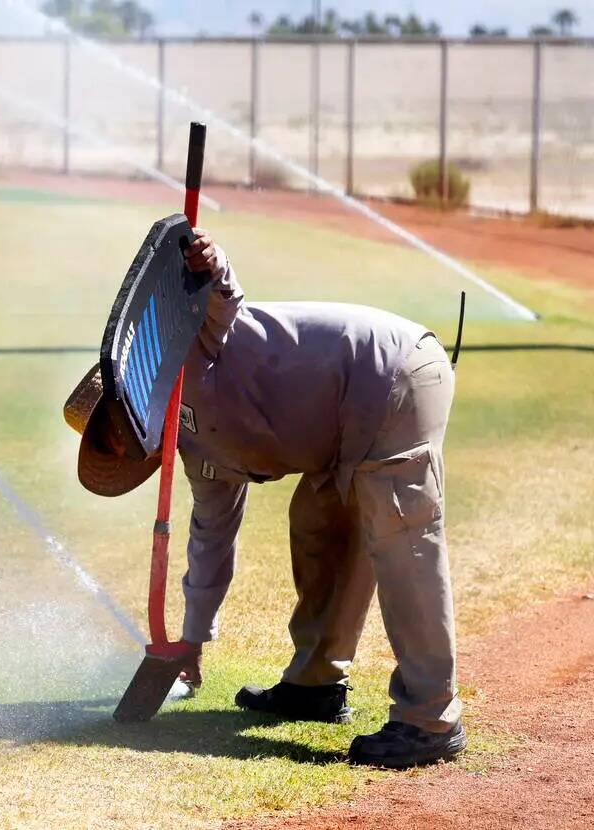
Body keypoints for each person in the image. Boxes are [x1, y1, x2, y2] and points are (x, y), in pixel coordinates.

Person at [66, 229, 465, 769]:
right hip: (337, 431)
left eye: (114, 427)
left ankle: (430, 720)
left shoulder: (191, 348)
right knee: (318, 523)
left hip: (391, 374)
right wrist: (192, 639)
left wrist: (211, 262)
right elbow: (210, 538)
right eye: (112, 442)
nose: (120, 439)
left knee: (401, 538)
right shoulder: (197, 452)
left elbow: (222, 299)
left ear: (133, 398)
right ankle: (316, 684)